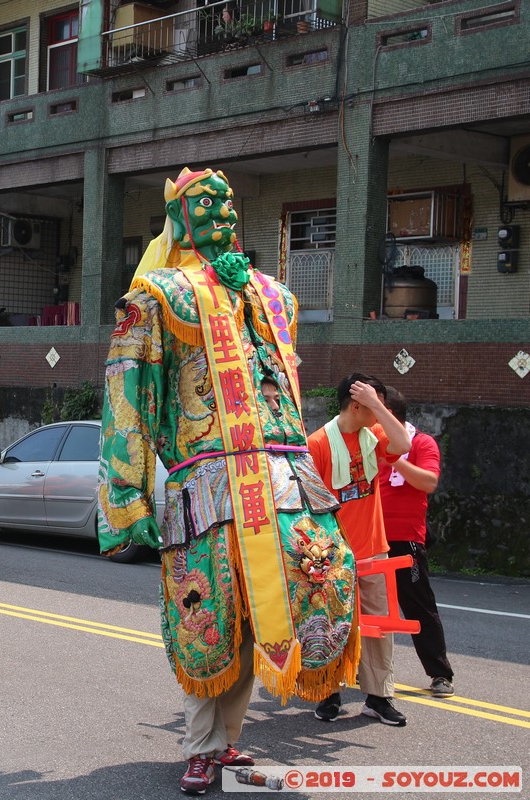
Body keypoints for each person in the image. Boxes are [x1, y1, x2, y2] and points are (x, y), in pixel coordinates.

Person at [98, 168, 360, 795]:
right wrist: (127, 492)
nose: (220, 213)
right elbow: (126, 394)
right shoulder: (159, 297)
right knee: (208, 614)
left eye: (227, 202)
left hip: (282, 478)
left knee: (274, 610)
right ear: (179, 217)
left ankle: (229, 741)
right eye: (204, 203)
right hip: (208, 483)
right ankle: (199, 746)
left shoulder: (275, 297)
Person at [306, 373, 411, 726]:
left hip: (373, 548)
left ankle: (379, 696)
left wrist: (378, 404)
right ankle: (329, 692)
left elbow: (403, 444)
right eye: (373, 406)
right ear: (355, 406)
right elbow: (309, 505)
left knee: (380, 627)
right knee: (332, 624)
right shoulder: (318, 442)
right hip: (333, 552)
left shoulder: (374, 435)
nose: (380, 415)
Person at [378, 385, 454, 698]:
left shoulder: (421, 442)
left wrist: (394, 458)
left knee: (419, 606)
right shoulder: (366, 443)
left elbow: (429, 482)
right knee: (366, 610)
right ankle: (361, 671)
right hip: (368, 537)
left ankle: (440, 673)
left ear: (389, 415)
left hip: (405, 538)